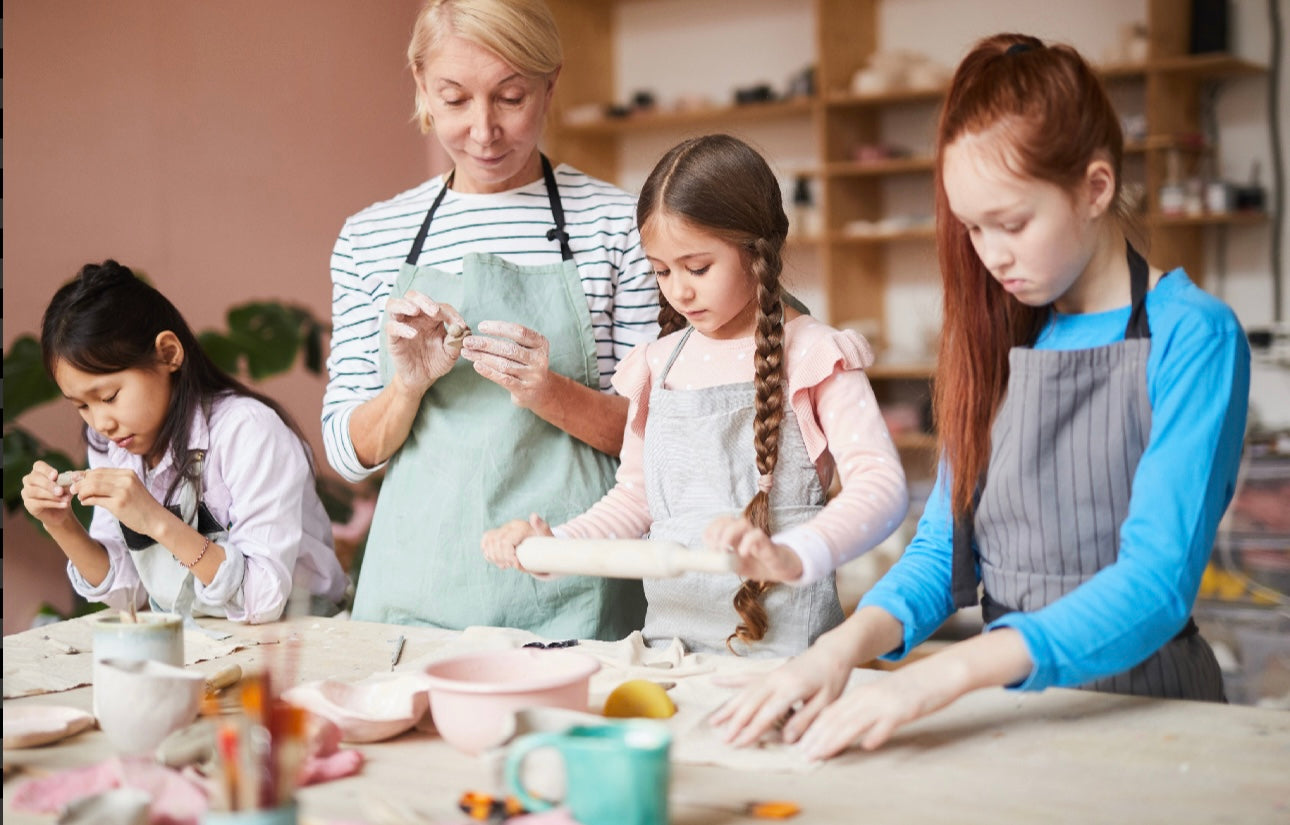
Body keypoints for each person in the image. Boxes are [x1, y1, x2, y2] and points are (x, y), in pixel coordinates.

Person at [710, 33, 1251, 757]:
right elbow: (939, 552)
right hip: (1018, 712)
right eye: (972, 227)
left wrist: (944, 676)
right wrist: (839, 651)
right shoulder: (997, 336)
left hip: (1150, 714)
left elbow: (1155, 585)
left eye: (1014, 222)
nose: (991, 255)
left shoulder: (1195, 336)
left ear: (1094, 189)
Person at [482, 134, 909, 657]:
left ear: (757, 250)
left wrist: (796, 553)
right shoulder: (657, 364)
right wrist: (552, 547)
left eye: (697, 268)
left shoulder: (817, 355)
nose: (678, 291)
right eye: (661, 270)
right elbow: (635, 501)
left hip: (789, 653)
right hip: (672, 651)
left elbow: (882, 489)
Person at [322, 0, 659, 636]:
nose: (484, 130)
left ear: (550, 83)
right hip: (415, 589)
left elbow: (657, 439)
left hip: (573, 585)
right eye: (454, 100)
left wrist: (548, 391)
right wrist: (408, 386)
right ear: (421, 85)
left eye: (510, 97)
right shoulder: (371, 237)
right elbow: (347, 453)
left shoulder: (617, 226)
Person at [21, 261, 348, 623]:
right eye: (82, 405)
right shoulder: (111, 445)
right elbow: (129, 593)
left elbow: (261, 598)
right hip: (203, 642)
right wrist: (61, 524)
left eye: (110, 396)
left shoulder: (248, 432)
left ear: (168, 354)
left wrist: (156, 521)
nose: (102, 422)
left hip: (300, 639)